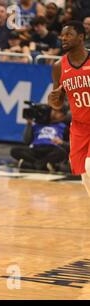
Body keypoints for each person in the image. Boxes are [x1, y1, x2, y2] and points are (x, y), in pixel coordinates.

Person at [48, 20, 90, 196]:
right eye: (62, 35)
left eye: (68, 34)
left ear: (81, 37)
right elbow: (58, 104)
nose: (63, 38)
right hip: (80, 127)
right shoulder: (59, 67)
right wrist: (53, 101)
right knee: (85, 177)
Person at [10, 107, 69, 172]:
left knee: (62, 152)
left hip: (51, 148)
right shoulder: (37, 124)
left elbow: (71, 145)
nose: (55, 113)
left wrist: (61, 142)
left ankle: (31, 165)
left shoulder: (63, 126)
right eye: (54, 111)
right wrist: (29, 124)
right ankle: (43, 165)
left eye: (58, 112)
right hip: (36, 148)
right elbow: (27, 141)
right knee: (14, 150)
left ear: (63, 117)